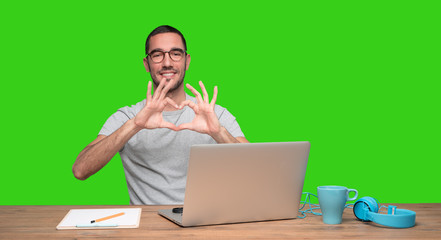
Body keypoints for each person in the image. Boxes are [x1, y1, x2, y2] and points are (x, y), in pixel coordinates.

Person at [72, 25, 248, 205]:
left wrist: (218, 132)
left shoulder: (214, 114)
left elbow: (256, 171)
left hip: (205, 224)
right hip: (147, 227)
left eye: (176, 54)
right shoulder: (129, 116)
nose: (167, 63)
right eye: (157, 55)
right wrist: (134, 125)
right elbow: (80, 170)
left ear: (187, 61)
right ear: (146, 64)